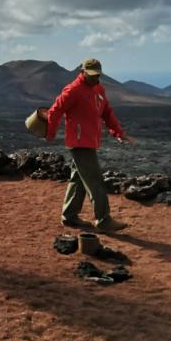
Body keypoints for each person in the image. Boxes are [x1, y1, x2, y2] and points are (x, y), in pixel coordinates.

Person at [46, 58, 135, 232]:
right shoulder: (73, 90)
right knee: (95, 181)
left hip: (90, 140)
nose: (95, 78)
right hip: (79, 143)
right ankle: (103, 220)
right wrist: (50, 133)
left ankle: (69, 216)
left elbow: (106, 112)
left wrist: (118, 133)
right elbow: (55, 110)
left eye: (98, 75)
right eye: (92, 75)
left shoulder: (99, 89)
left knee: (78, 179)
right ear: (82, 72)